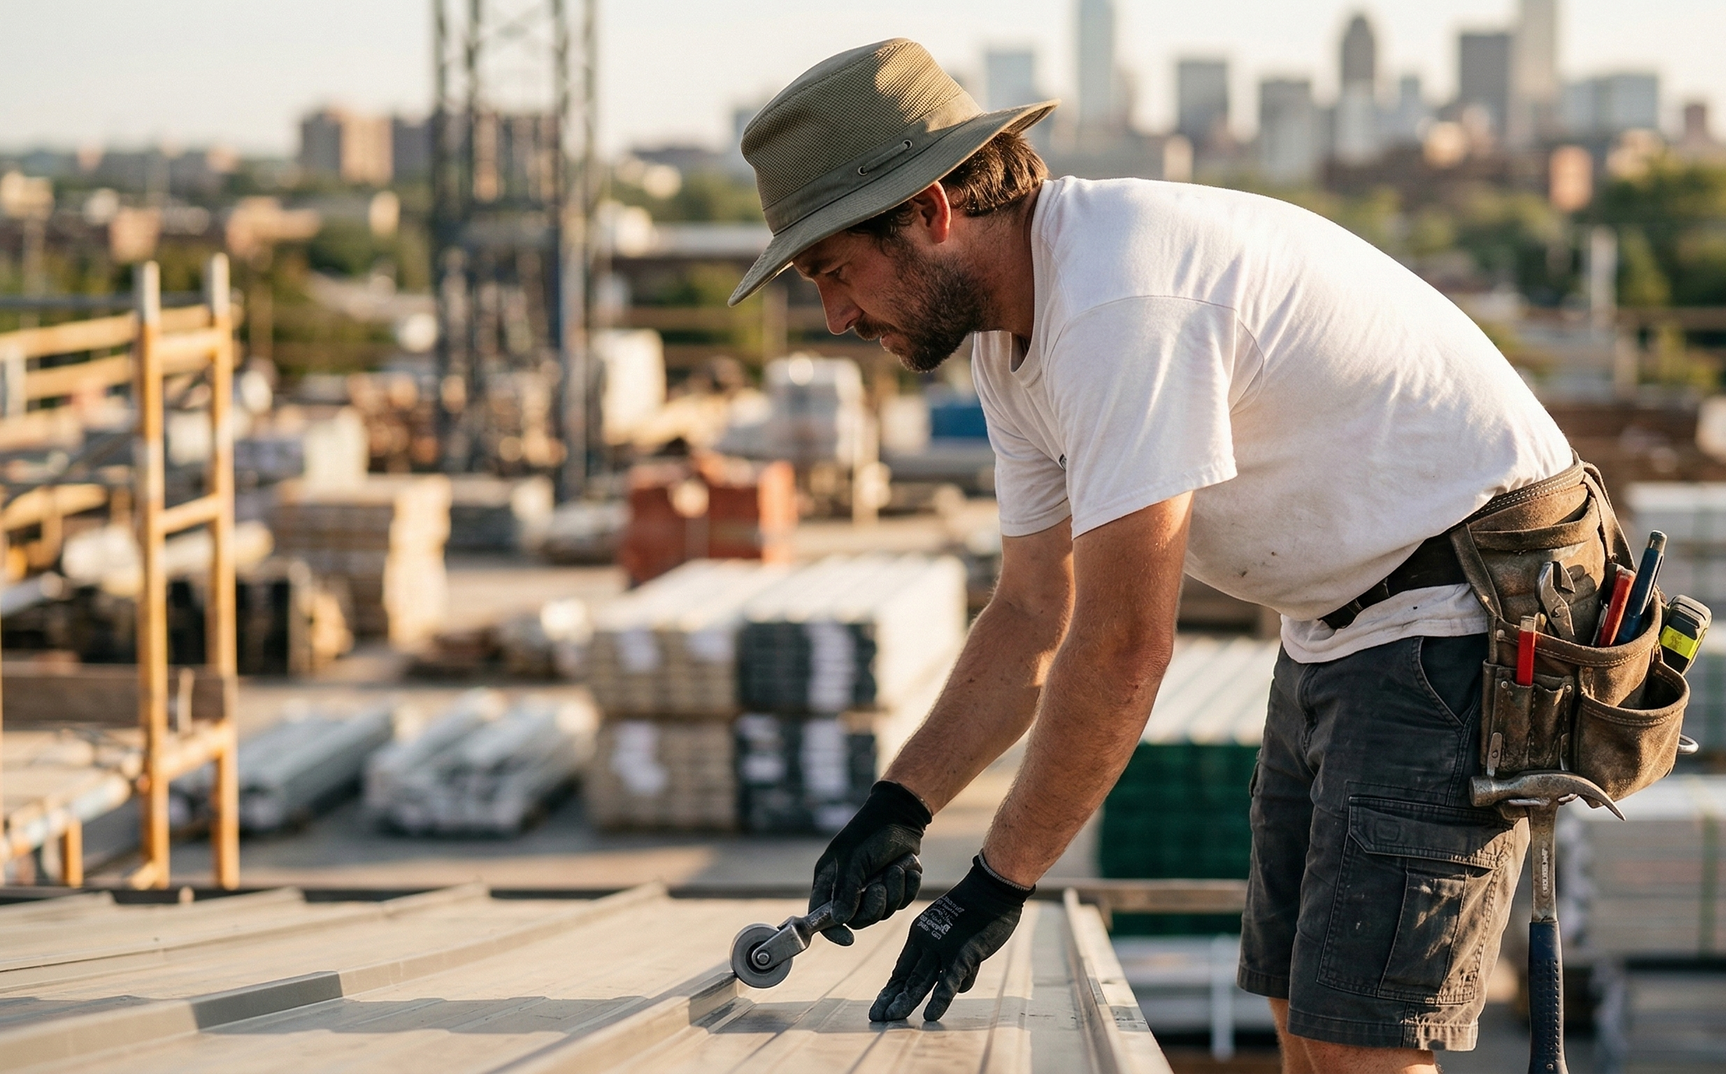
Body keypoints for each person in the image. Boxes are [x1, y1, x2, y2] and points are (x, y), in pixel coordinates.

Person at [728, 38, 1576, 1073]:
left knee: (1360, 1048)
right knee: (1305, 1023)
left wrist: (995, 886)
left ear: (931, 214)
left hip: (1468, 607)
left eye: (834, 271)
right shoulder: (1008, 339)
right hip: (1343, 623)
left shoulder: (1117, 301)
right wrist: (898, 807)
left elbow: (1125, 642)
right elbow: (1034, 612)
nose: (836, 316)